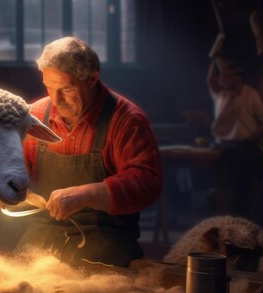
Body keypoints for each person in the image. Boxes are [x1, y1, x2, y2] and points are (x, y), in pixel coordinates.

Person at [14, 36, 163, 267]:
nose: (56, 99)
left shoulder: (126, 120)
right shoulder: (34, 116)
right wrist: (13, 192)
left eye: (66, 88)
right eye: (49, 87)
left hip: (106, 236)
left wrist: (88, 194)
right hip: (44, 230)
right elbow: (13, 169)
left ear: (92, 78)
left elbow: (148, 182)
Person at [206, 58, 263, 217]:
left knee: (248, 164)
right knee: (227, 161)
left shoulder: (250, 94)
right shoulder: (221, 93)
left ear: (238, 77)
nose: (224, 80)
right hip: (224, 143)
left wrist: (255, 135)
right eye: (224, 77)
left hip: (245, 143)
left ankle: (243, 206)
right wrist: (215, 60)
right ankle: (228, 205)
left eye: (228, 77)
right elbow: (211, 80)